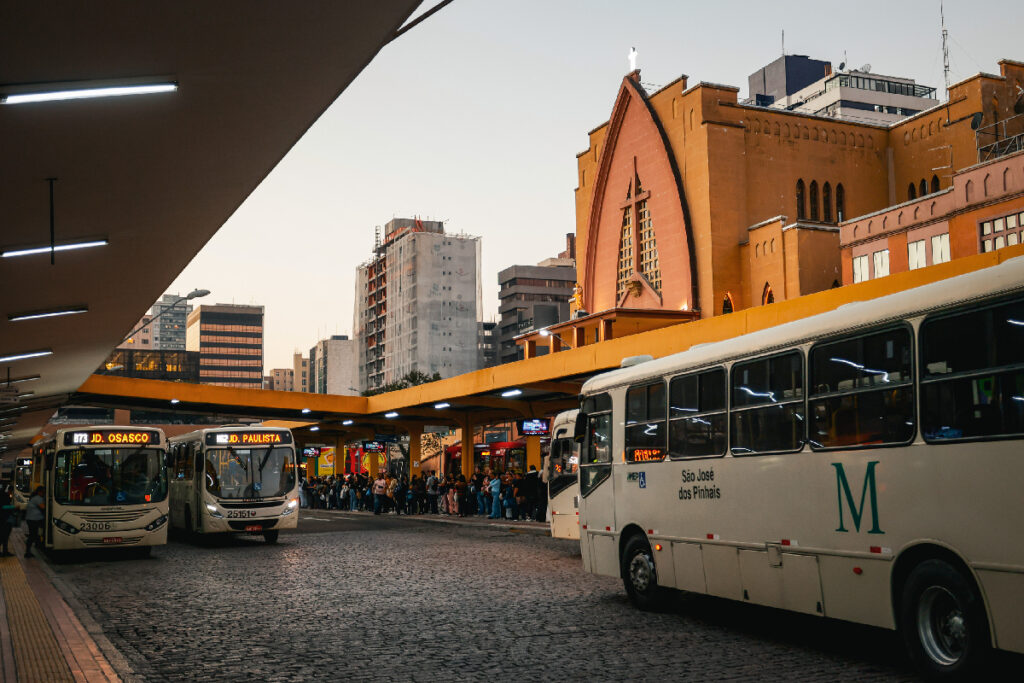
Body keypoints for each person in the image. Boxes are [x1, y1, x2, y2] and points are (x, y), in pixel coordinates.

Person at [24, 485, 45, 558]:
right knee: (32, 535)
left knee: (34, 535)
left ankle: (36, 546)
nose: (43, 493)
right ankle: (27, 552)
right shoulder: (38, 498)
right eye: (43, 492)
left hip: (31, 519)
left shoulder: (34, 498)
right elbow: (43, 507)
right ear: (39, 492)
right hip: (33, 520)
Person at [0, 485, 15, 556]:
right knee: (4, 536)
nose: (11, 493)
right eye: (10, 491)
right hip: (4, 519)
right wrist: (13, 507)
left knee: (4, 536)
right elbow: (4, 507)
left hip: (4, 519)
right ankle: (5, 551)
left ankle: (5, 551)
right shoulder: (5, 497)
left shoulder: (4, 496)